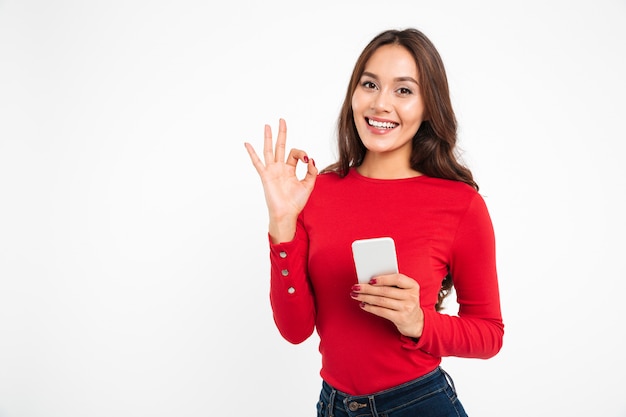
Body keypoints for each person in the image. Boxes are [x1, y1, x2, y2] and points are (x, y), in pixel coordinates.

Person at [244, 27, 503, 417]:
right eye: (370, 84)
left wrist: (419, 321)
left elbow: (489, 334)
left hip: (419, 403)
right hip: (332, 405)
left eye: (403, 90)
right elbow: (295, 330)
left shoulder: (461, 205)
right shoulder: (317, 191)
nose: (381, 103)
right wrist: (282, 222)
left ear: (428, 106)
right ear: (354, 94)